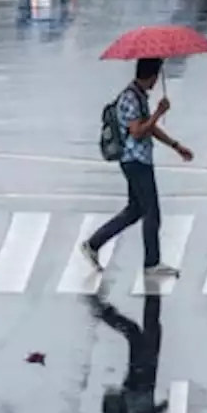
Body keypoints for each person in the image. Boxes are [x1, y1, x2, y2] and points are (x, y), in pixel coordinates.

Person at [81, 58, 193, 278]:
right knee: (152, 212)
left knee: (135, 210)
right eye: (156, 76)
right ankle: (151, 264)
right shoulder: (130, 98)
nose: (156, 82)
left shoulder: (138, 96)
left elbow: (149, 128)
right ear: (151, 75)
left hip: (138, 160)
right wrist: (159, 113)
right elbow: (138, 131)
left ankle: (93, 244)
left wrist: (175, 145)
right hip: (135, 161)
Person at [91, 295, 167, 413]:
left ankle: (153, 293)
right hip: (139, 386)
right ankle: (105, 312)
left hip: (141, 385)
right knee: (139, 333)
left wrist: (161, 408)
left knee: (144, 332)